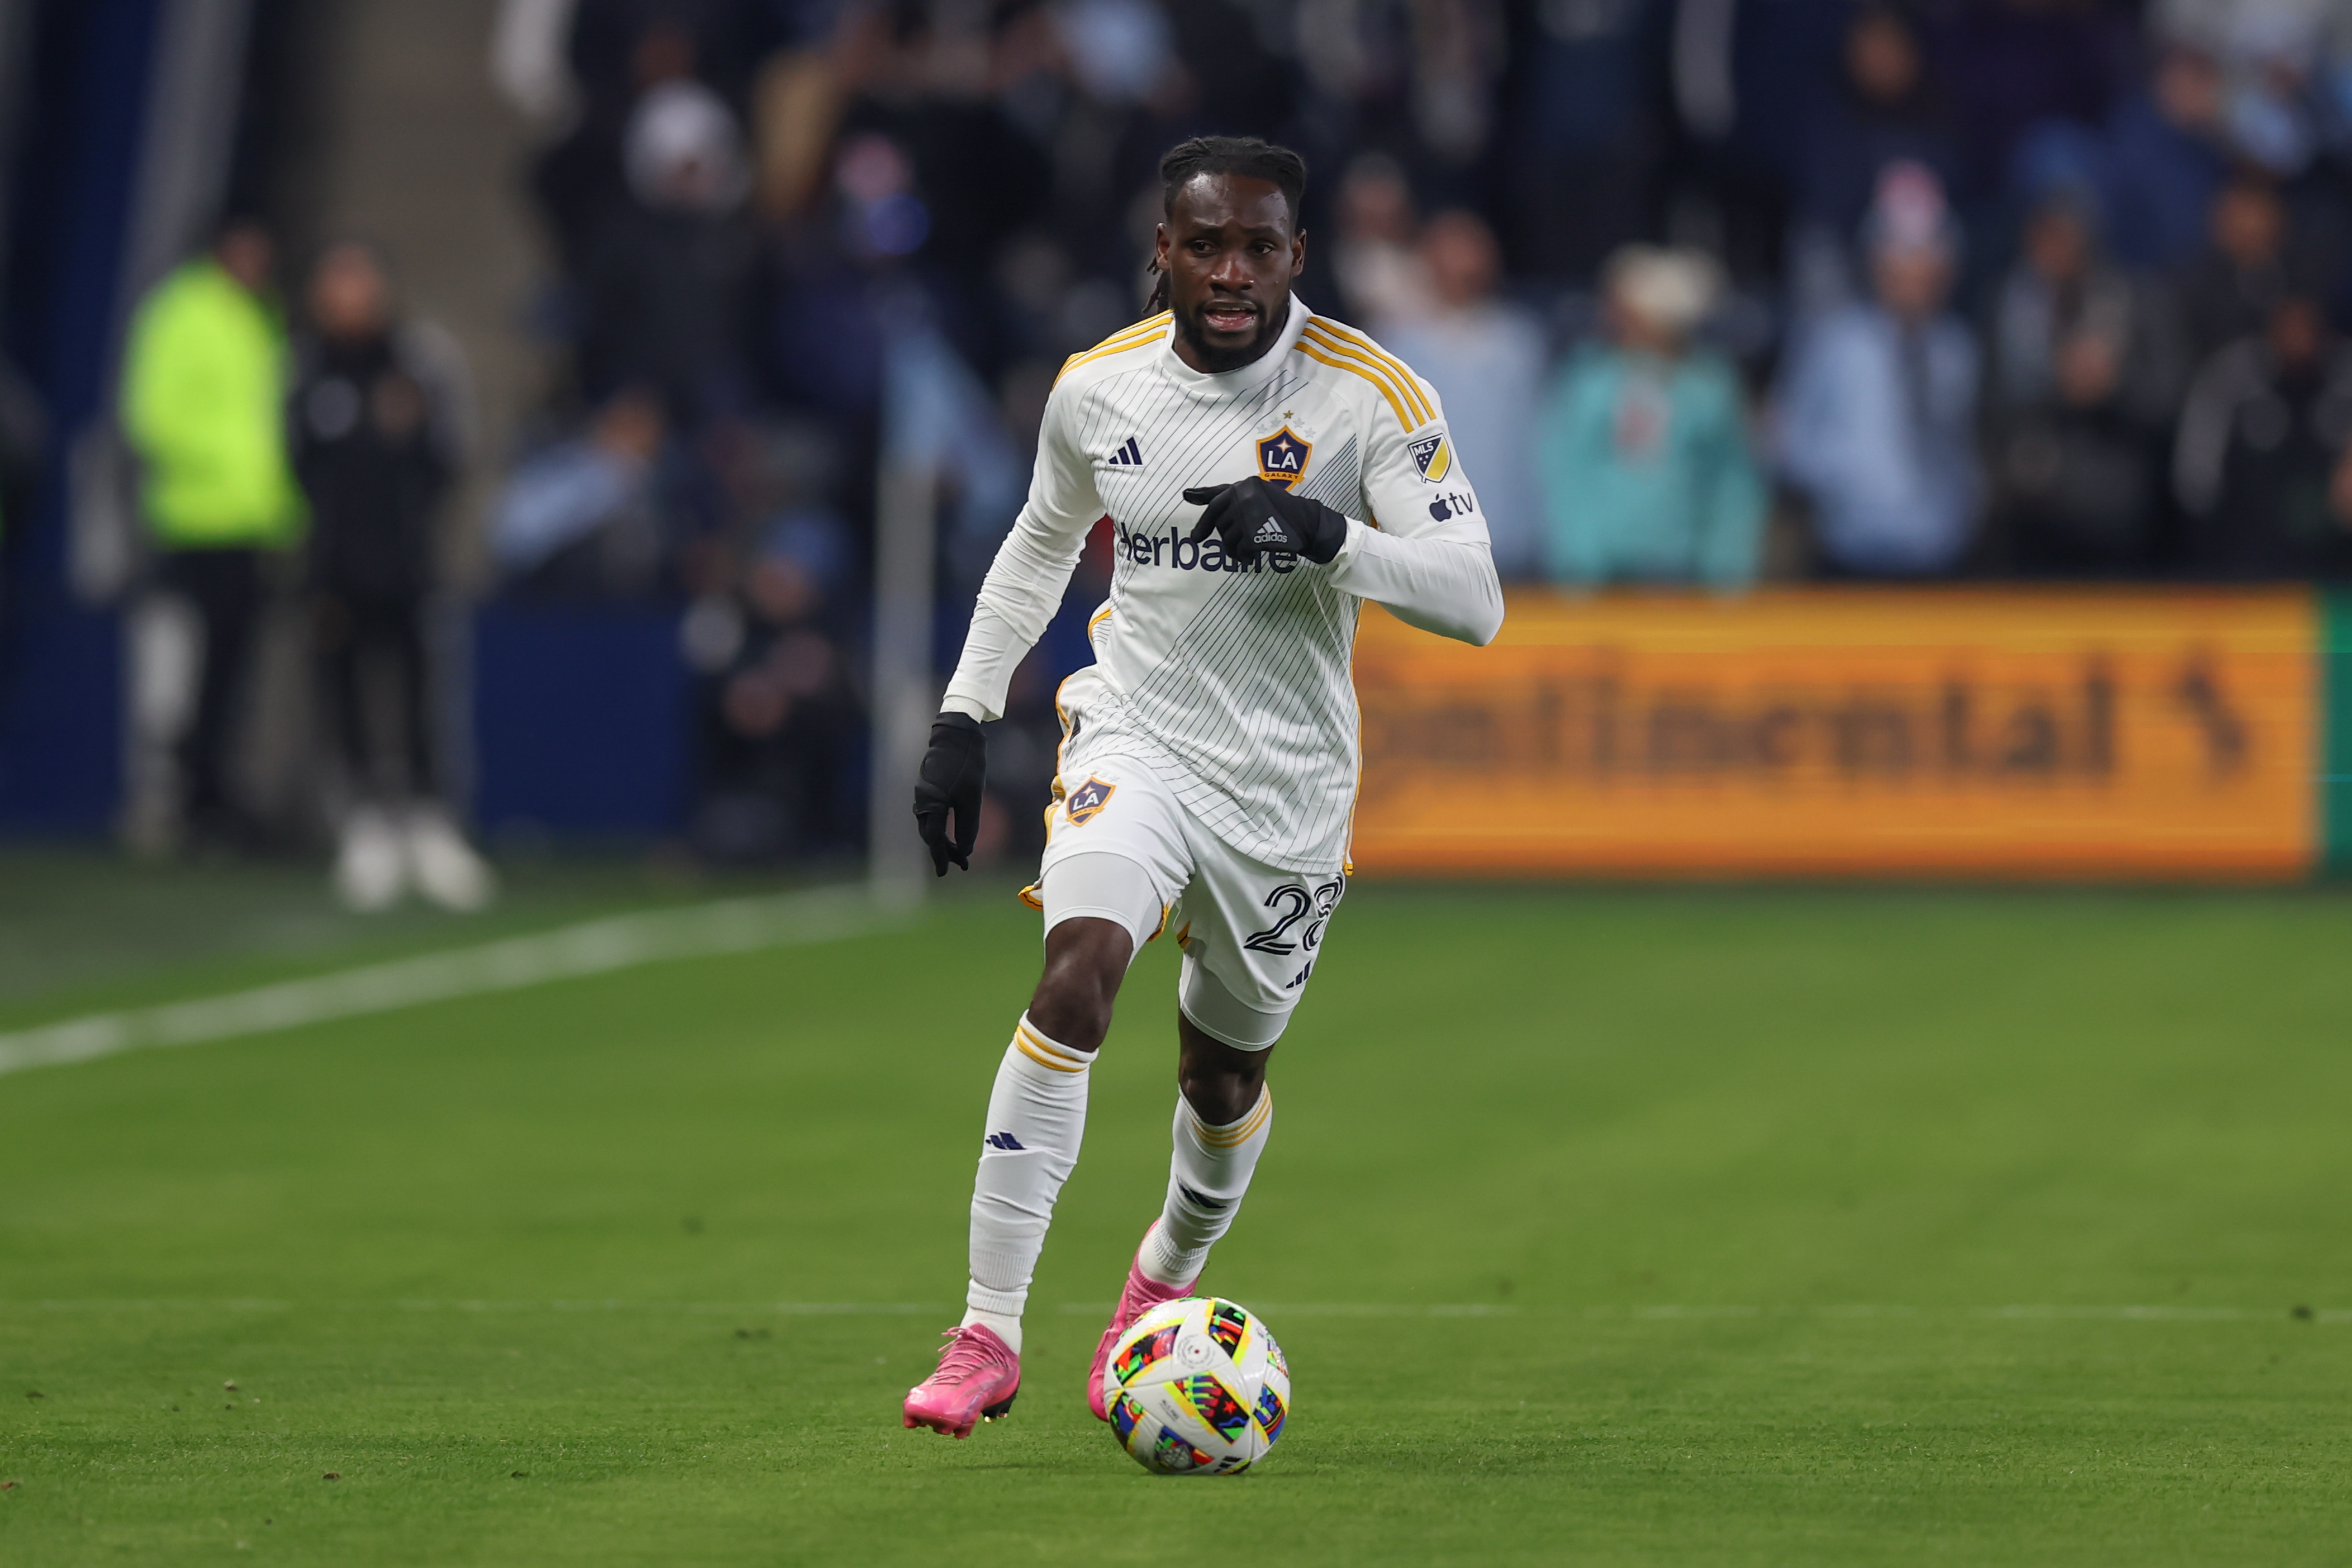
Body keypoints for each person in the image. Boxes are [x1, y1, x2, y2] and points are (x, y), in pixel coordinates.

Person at [898, 136, 1503, 1439]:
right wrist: (963, 713)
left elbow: (1478, 600)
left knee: (1221, 1077)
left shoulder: (1367, 394)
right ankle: (985, 1334)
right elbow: (1037, 546)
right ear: (1162, 251)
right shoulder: (1099, 389)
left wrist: (1325, 534)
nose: (1233, 273)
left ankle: (1155, 1286)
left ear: (1299, 255)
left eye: (1260, 248)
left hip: (1287, 793)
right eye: (1207, 244)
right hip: (1138, 737)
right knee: (1077, 972)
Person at [291, 241, 496, 911]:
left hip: (409, 563)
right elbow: (291, 462)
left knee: (422, 696)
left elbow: (450, 454)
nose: (348, 297)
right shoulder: (304, 369)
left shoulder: (419, 362)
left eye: (359, 282)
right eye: (336, 283)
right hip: (334, 568)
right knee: (344, 698)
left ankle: (431, 825)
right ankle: (366, 828)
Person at [118, 219, 305, 846]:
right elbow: (152, 416)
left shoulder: (259, 315)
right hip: (198, 520)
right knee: (194, 664)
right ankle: (186, 797)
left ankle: (216, 792)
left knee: (234, 666)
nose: (257, 258)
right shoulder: (181, 312)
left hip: (253, 521)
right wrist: (223, 469)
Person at [1776, 164, 1982, 577]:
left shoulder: (1958, 348)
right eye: (1902, 253)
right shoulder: (1836, 343)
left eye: (1929, 254)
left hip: (1941, 557)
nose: (1915, 269)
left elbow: (1968, 445)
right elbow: (1786, 441)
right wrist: (1849, 477)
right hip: (1851, 554)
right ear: (1876, 260)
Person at [1535, 245, 1764, 590]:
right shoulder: (1590, 382)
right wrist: (1578, 565)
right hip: (1601, 577)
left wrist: (1727, 569)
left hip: (1685, 575)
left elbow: (1732, 482)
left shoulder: (1710, 387)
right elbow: (1564, 472)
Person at [1984, 191, 2185, 575]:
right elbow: (1989, 409)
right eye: (2045, 235)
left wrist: (2114, 387)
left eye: (2067, 235)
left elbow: (2169, 400)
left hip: (2120, 526)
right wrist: (2056, 387)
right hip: (2032, 522)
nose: (2055, 248)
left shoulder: (2137, 300)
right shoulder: (2006, 307)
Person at [1378, 211, 1545, 577]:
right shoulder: (1392, 343)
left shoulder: (1518, 344)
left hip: (1507, 539)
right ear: (1427, 261)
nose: (1463, 267)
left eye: (1473, 252)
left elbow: (1536, 445)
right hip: (1420, 539)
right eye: (1450, 253)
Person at [2173, 292, 2352, 579]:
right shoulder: (2231, 378)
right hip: (2246, 573)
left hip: (2337, 573)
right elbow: (2196, 484)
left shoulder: (2345, 381)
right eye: (2288, 323)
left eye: (2306, 324)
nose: (2297, 335)